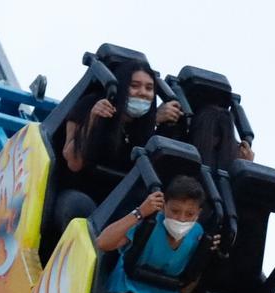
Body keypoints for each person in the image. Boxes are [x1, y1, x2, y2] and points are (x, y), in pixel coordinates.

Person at [43, 64, 185, 255]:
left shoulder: (145, 126)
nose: (142, 93)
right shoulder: (90, 104)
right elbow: (74, 162)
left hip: (114, 203)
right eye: (135, 86)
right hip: (75, 192)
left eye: (149, 88)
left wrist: (156, 121)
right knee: (80, 209)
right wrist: (93, 120)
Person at [94, 176, 215, 293]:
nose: (181, 219)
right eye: (175, 211)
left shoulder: (198, 235)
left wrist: (204, 255)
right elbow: (102, 242)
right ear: (164, 206)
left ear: (198, 214)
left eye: (189, 214)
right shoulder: (149, 222)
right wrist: (140, 212)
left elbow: (185, 290)